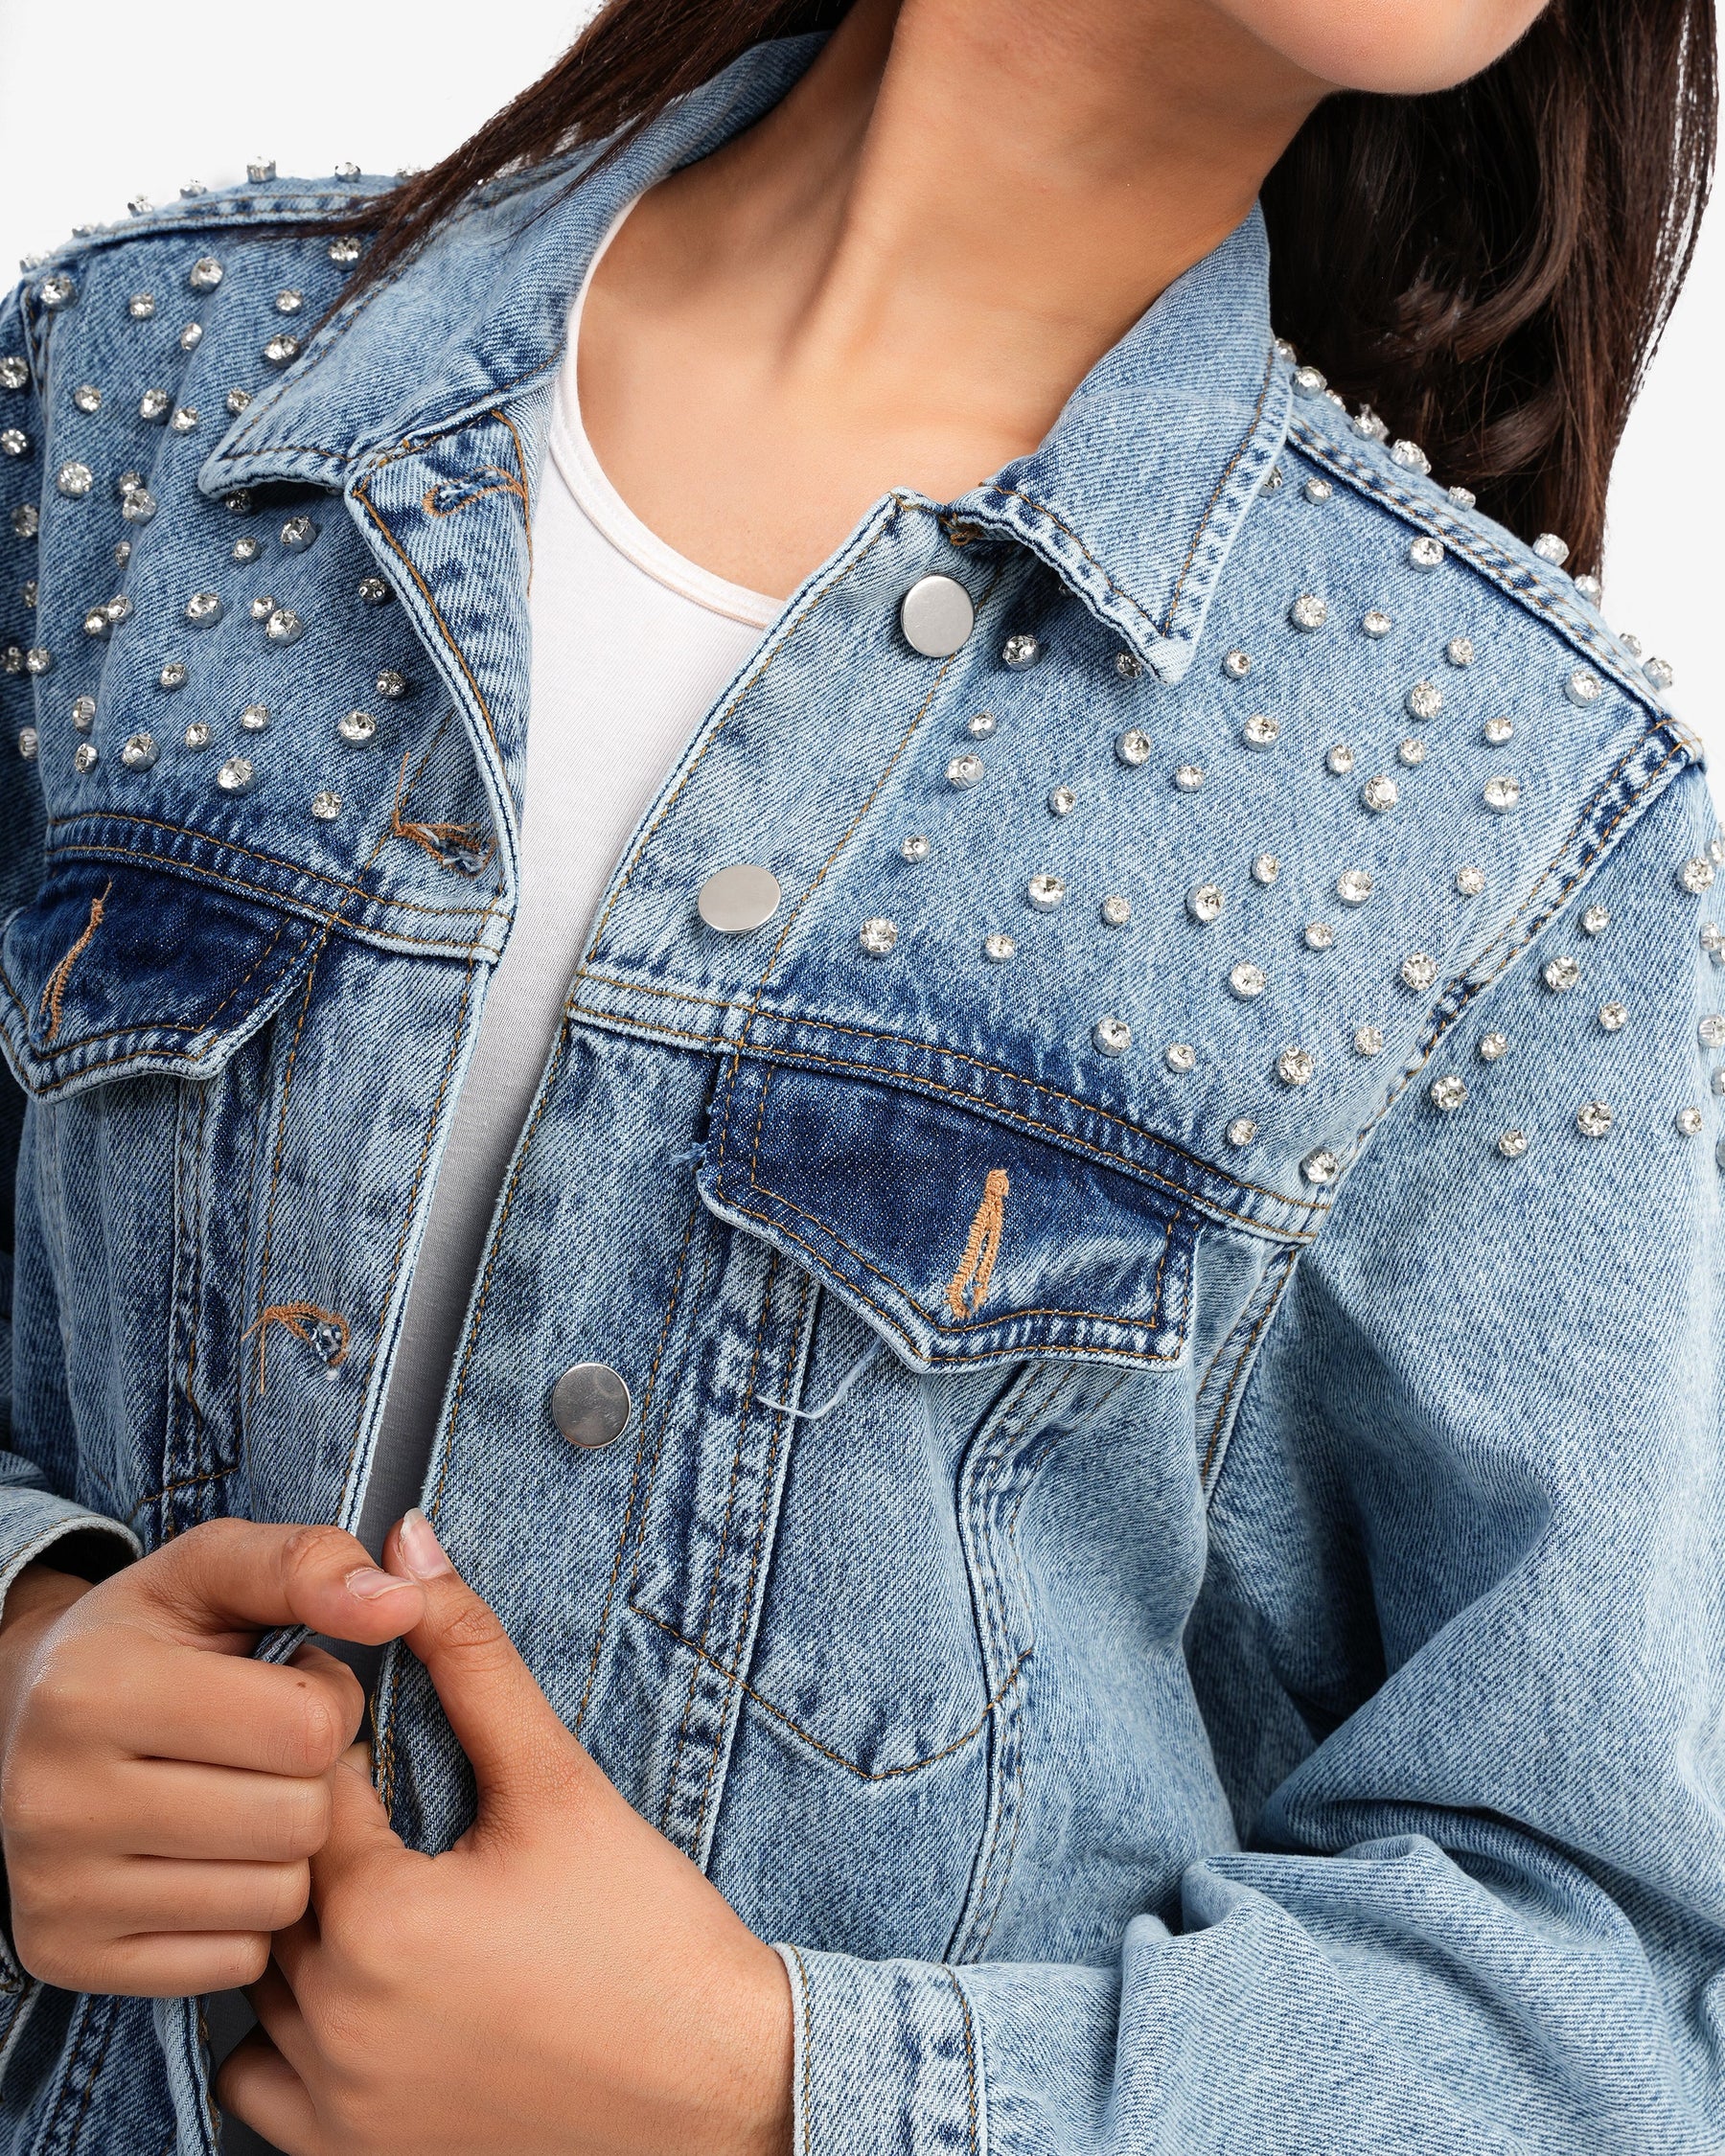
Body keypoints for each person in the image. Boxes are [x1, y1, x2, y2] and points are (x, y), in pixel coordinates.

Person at [0, 0, 1719, 2147]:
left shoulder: (1513, 802)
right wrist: (24, 1651)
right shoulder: (126, 395)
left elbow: (1616, 2012)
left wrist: (777, 2089)